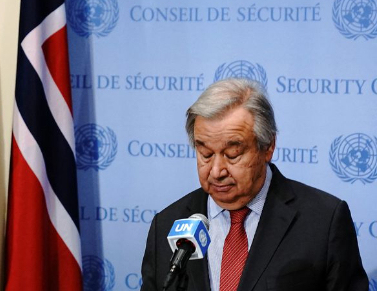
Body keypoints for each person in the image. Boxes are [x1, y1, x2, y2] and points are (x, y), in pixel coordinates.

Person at [140, 78, 368, 291]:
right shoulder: (167, 224)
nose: (217, 171)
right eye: (206, 154)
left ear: (268, 146)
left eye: (233, 154)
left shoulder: (323, 222)